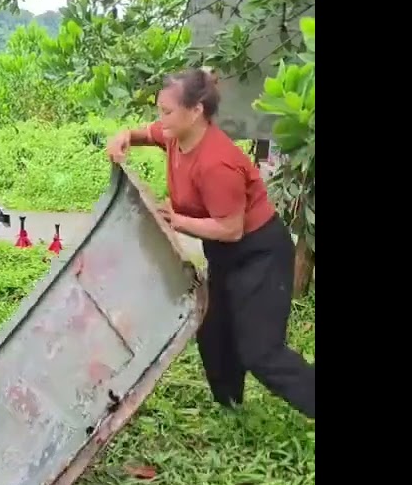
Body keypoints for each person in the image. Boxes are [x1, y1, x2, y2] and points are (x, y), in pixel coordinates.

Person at [105, 68, 315, 419]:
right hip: (225, 254)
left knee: (261, 353)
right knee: (214, 333)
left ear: (196, 110)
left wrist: (176, 220)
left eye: (167, 111)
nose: (161, 119)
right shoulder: (176, 135)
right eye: (160, 110)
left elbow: (230, 228)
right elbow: (149, 134)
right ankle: (231, 410)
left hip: (258, 253)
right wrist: (125, 134)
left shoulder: (216, 162)